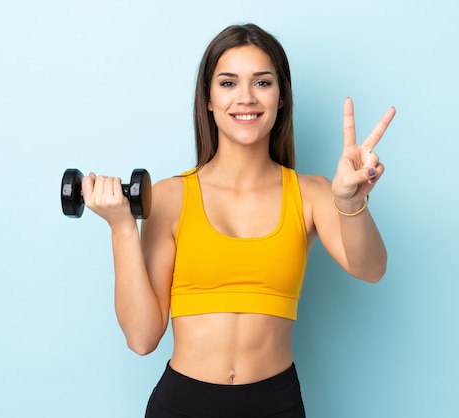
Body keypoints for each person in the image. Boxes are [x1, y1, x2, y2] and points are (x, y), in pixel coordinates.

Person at [81, 23, 395, 418]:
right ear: (208, 100)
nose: (245, 98)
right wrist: (121, 228)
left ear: (281, 98)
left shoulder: (313, 193)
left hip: (275, 405)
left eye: (262, 83)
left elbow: (371, 269)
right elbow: (142, 339)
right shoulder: (170, 197)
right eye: (228, 83)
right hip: (181, 406)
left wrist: (350, 202)